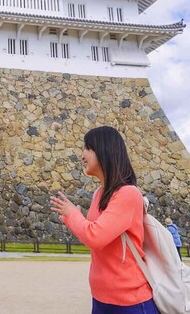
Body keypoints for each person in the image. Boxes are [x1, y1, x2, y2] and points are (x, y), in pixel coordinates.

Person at [49, 126, 158, 313]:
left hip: (129, 300)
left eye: (87, 148)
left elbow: (95, 237)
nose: (82, 154)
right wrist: (71, 216)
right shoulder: (99, 194)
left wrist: (72, 214)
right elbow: (95, 239)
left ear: (104, 150)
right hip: (101, 296)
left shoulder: (128, 194)